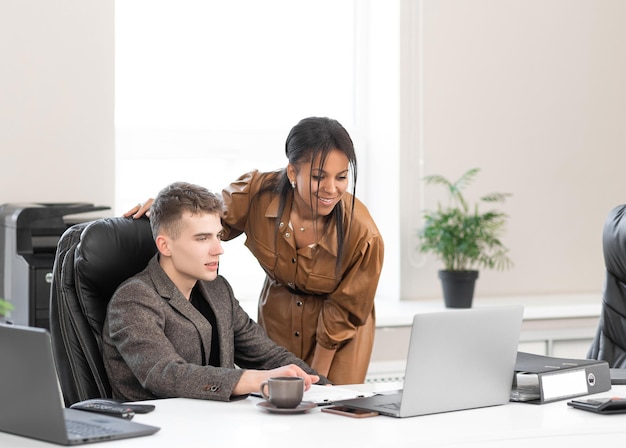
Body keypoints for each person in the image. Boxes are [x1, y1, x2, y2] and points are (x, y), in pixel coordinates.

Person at [127, 117, 384, 384]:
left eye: (341, 177)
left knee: (331, 408)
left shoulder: (364, 233)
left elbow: (344, 311)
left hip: (339, 332)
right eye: (319, 177)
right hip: (279, 314)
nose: (332, 189)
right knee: (280, 402)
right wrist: (169, 211)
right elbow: (208, 222)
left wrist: (317, 380)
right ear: (293, 173)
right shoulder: (256, 193)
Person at [104, 181, 328, 402]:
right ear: (165, 246)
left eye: (218, 236)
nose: (218, 249)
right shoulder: (133, 299)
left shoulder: (218, 289)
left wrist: (324, 388)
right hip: (159, 428)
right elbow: (165, 375)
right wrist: (256, 379)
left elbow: (267, 355)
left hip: (216, 425)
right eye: (202, 238)